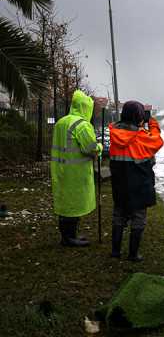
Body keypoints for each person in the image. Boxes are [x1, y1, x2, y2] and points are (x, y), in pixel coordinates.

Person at [109, 101, 164, 261]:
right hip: (139, 185)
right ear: (139, 117)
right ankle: (133, 254)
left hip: (120, 183)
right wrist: (152, 122)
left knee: (119, 215)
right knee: (138, 218)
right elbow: (157, 141)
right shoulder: (141, 136)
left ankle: (115, 251)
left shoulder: (114, 132)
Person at [51, 90, 102, 247]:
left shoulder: (61, 122)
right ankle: (69, 238)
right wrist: (99, 147)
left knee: (65, 204)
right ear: (86, 108)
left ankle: (68, 236)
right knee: (73, 205)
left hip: (60, 169)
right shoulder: (82, 125)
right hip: (76, 173)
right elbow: (91, 148)